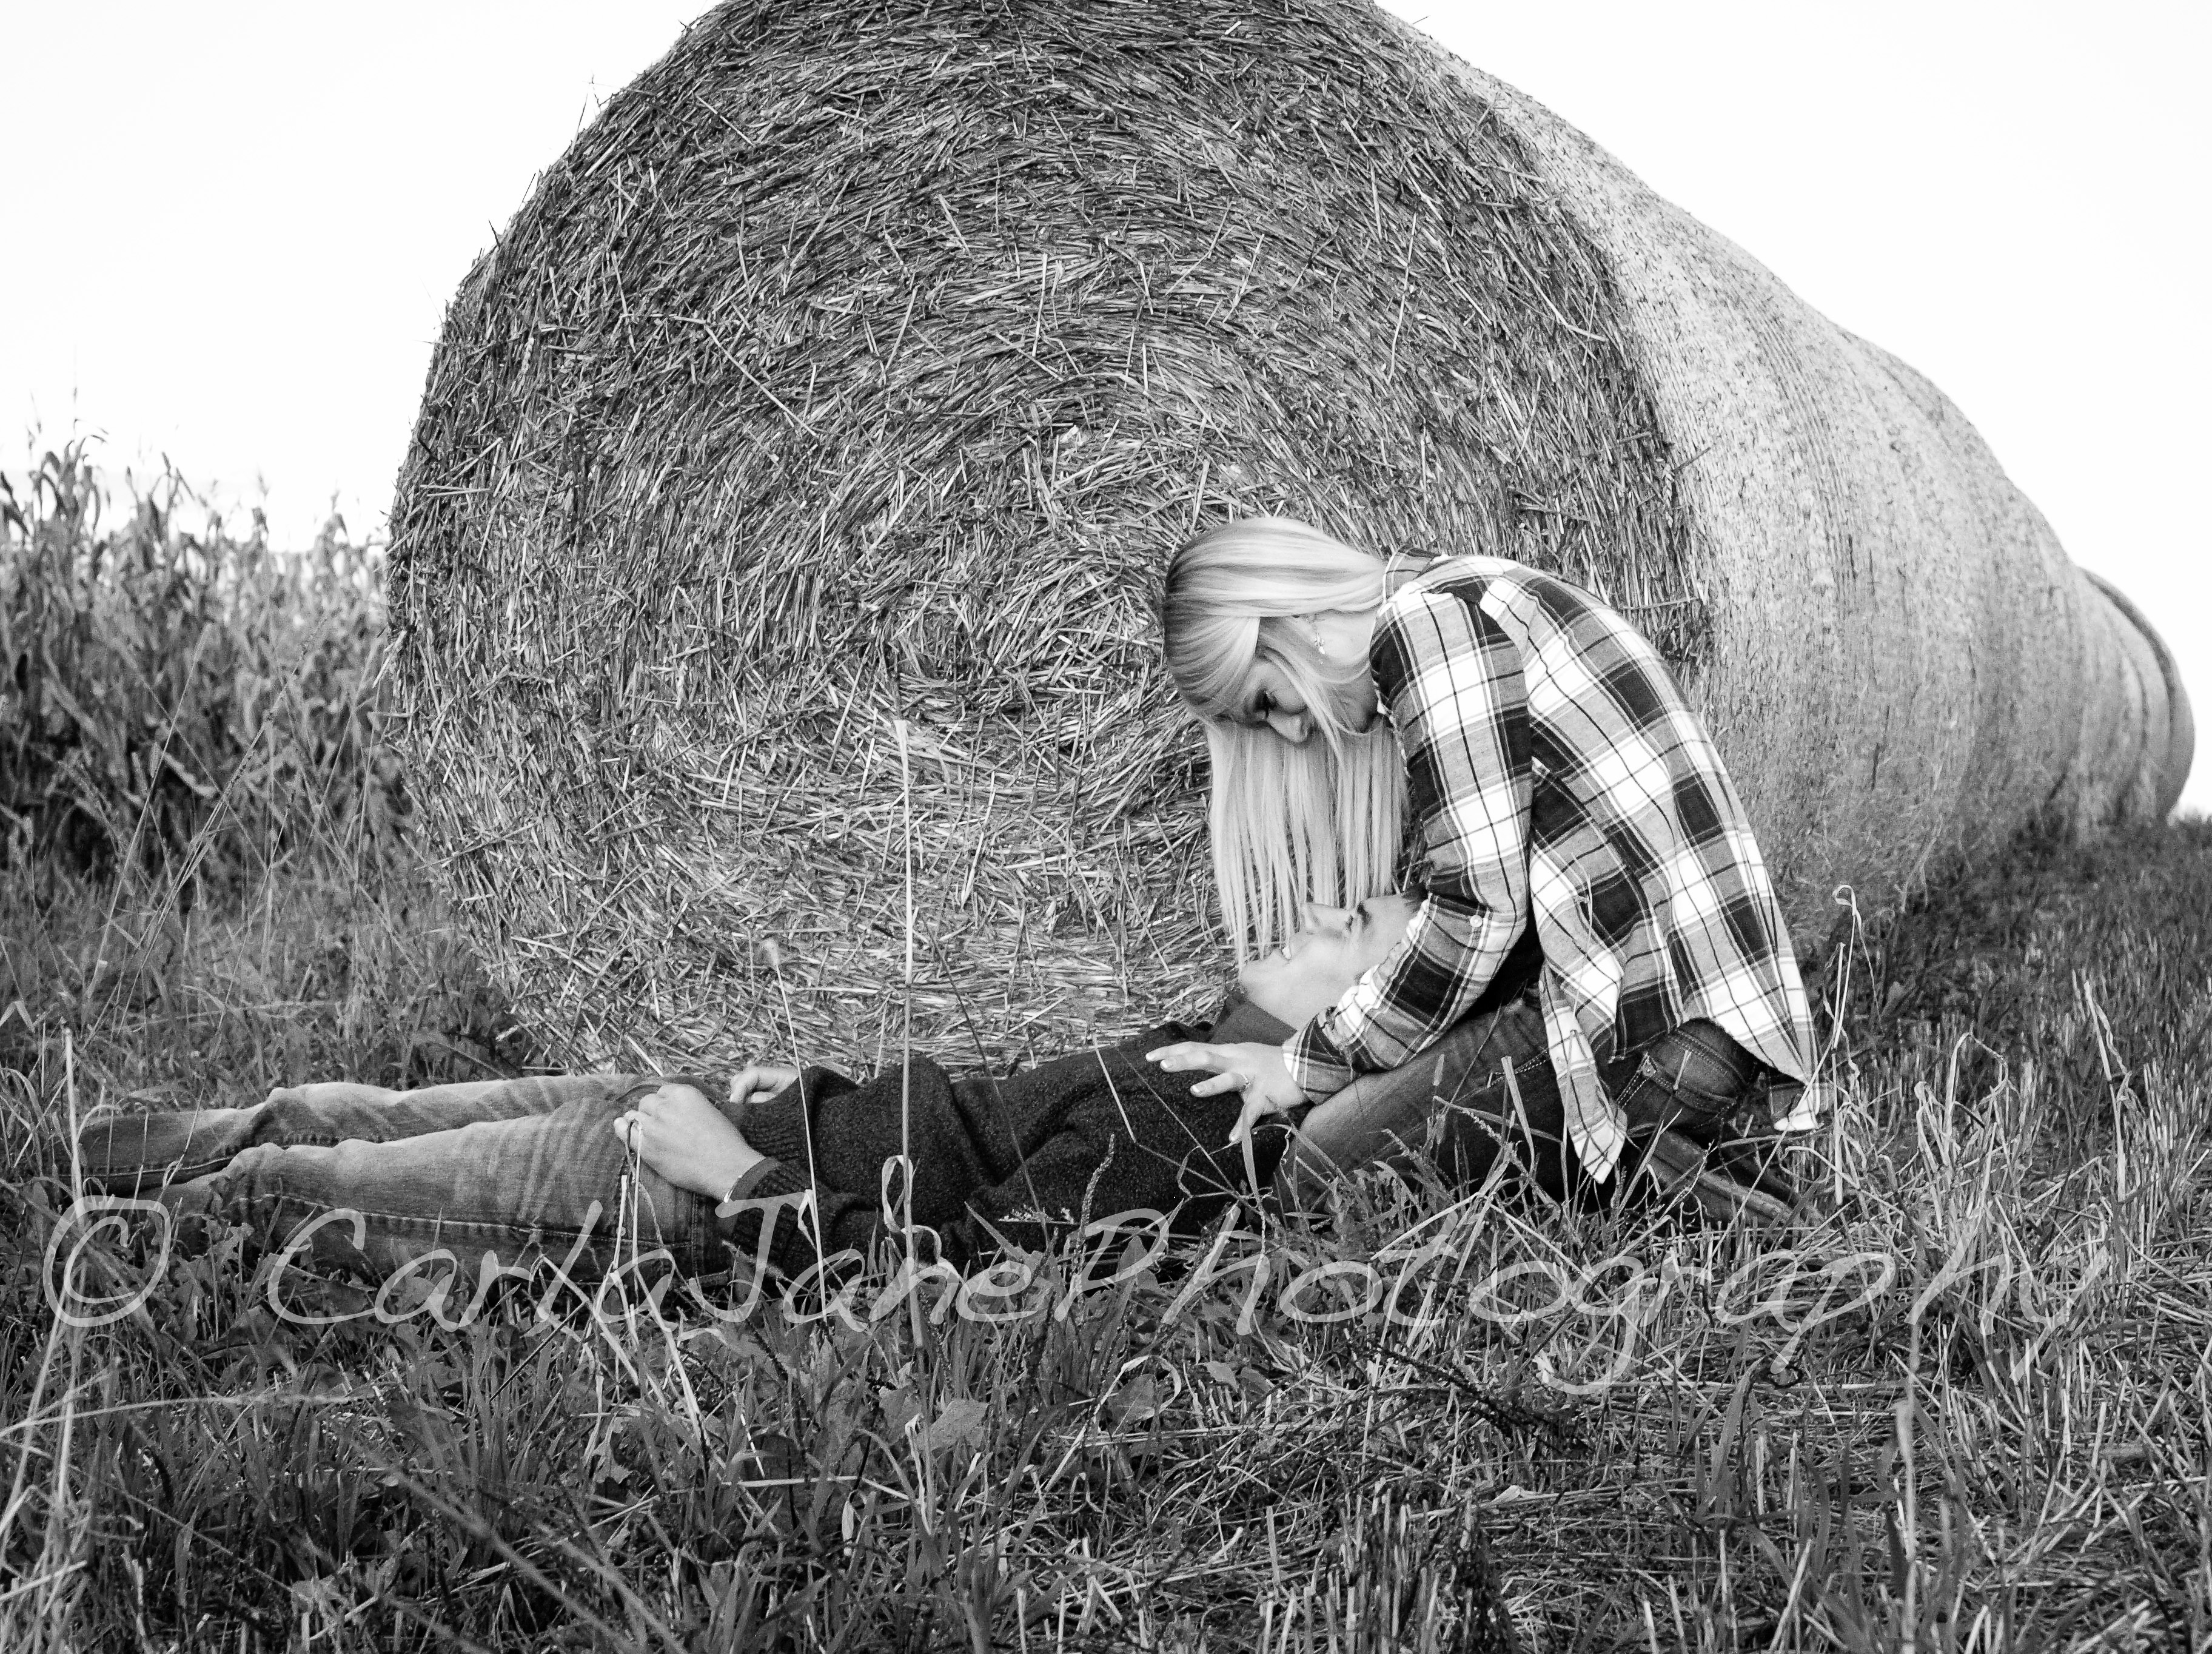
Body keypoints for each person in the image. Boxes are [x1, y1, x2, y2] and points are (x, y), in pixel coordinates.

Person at [75, 896, 1426, 1294]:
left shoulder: (1194, 1122)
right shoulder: (1192, 1051)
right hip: (702, 1110)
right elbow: (959, 1127)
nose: (1320, 906)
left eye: (1356, 924)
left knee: (297, 1188)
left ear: (1375, 1008)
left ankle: (78, 1234)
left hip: (680, 1195)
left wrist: (738, 1174)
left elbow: (961, 1281)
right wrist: (815, 1092)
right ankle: (60, 1154)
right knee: (320, 1109)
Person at [1150, 515, 1818, 1218]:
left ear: (1292, 620)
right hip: (1690, 1017)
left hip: (1648, 1030)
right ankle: (1677, 1160)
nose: (1291, 732)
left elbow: (1476, 914)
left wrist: (1304, 1064)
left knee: (1317, 1175)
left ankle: (1651, 1156)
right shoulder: (1466, 591)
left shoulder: (1426, 630)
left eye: (1266, 702)